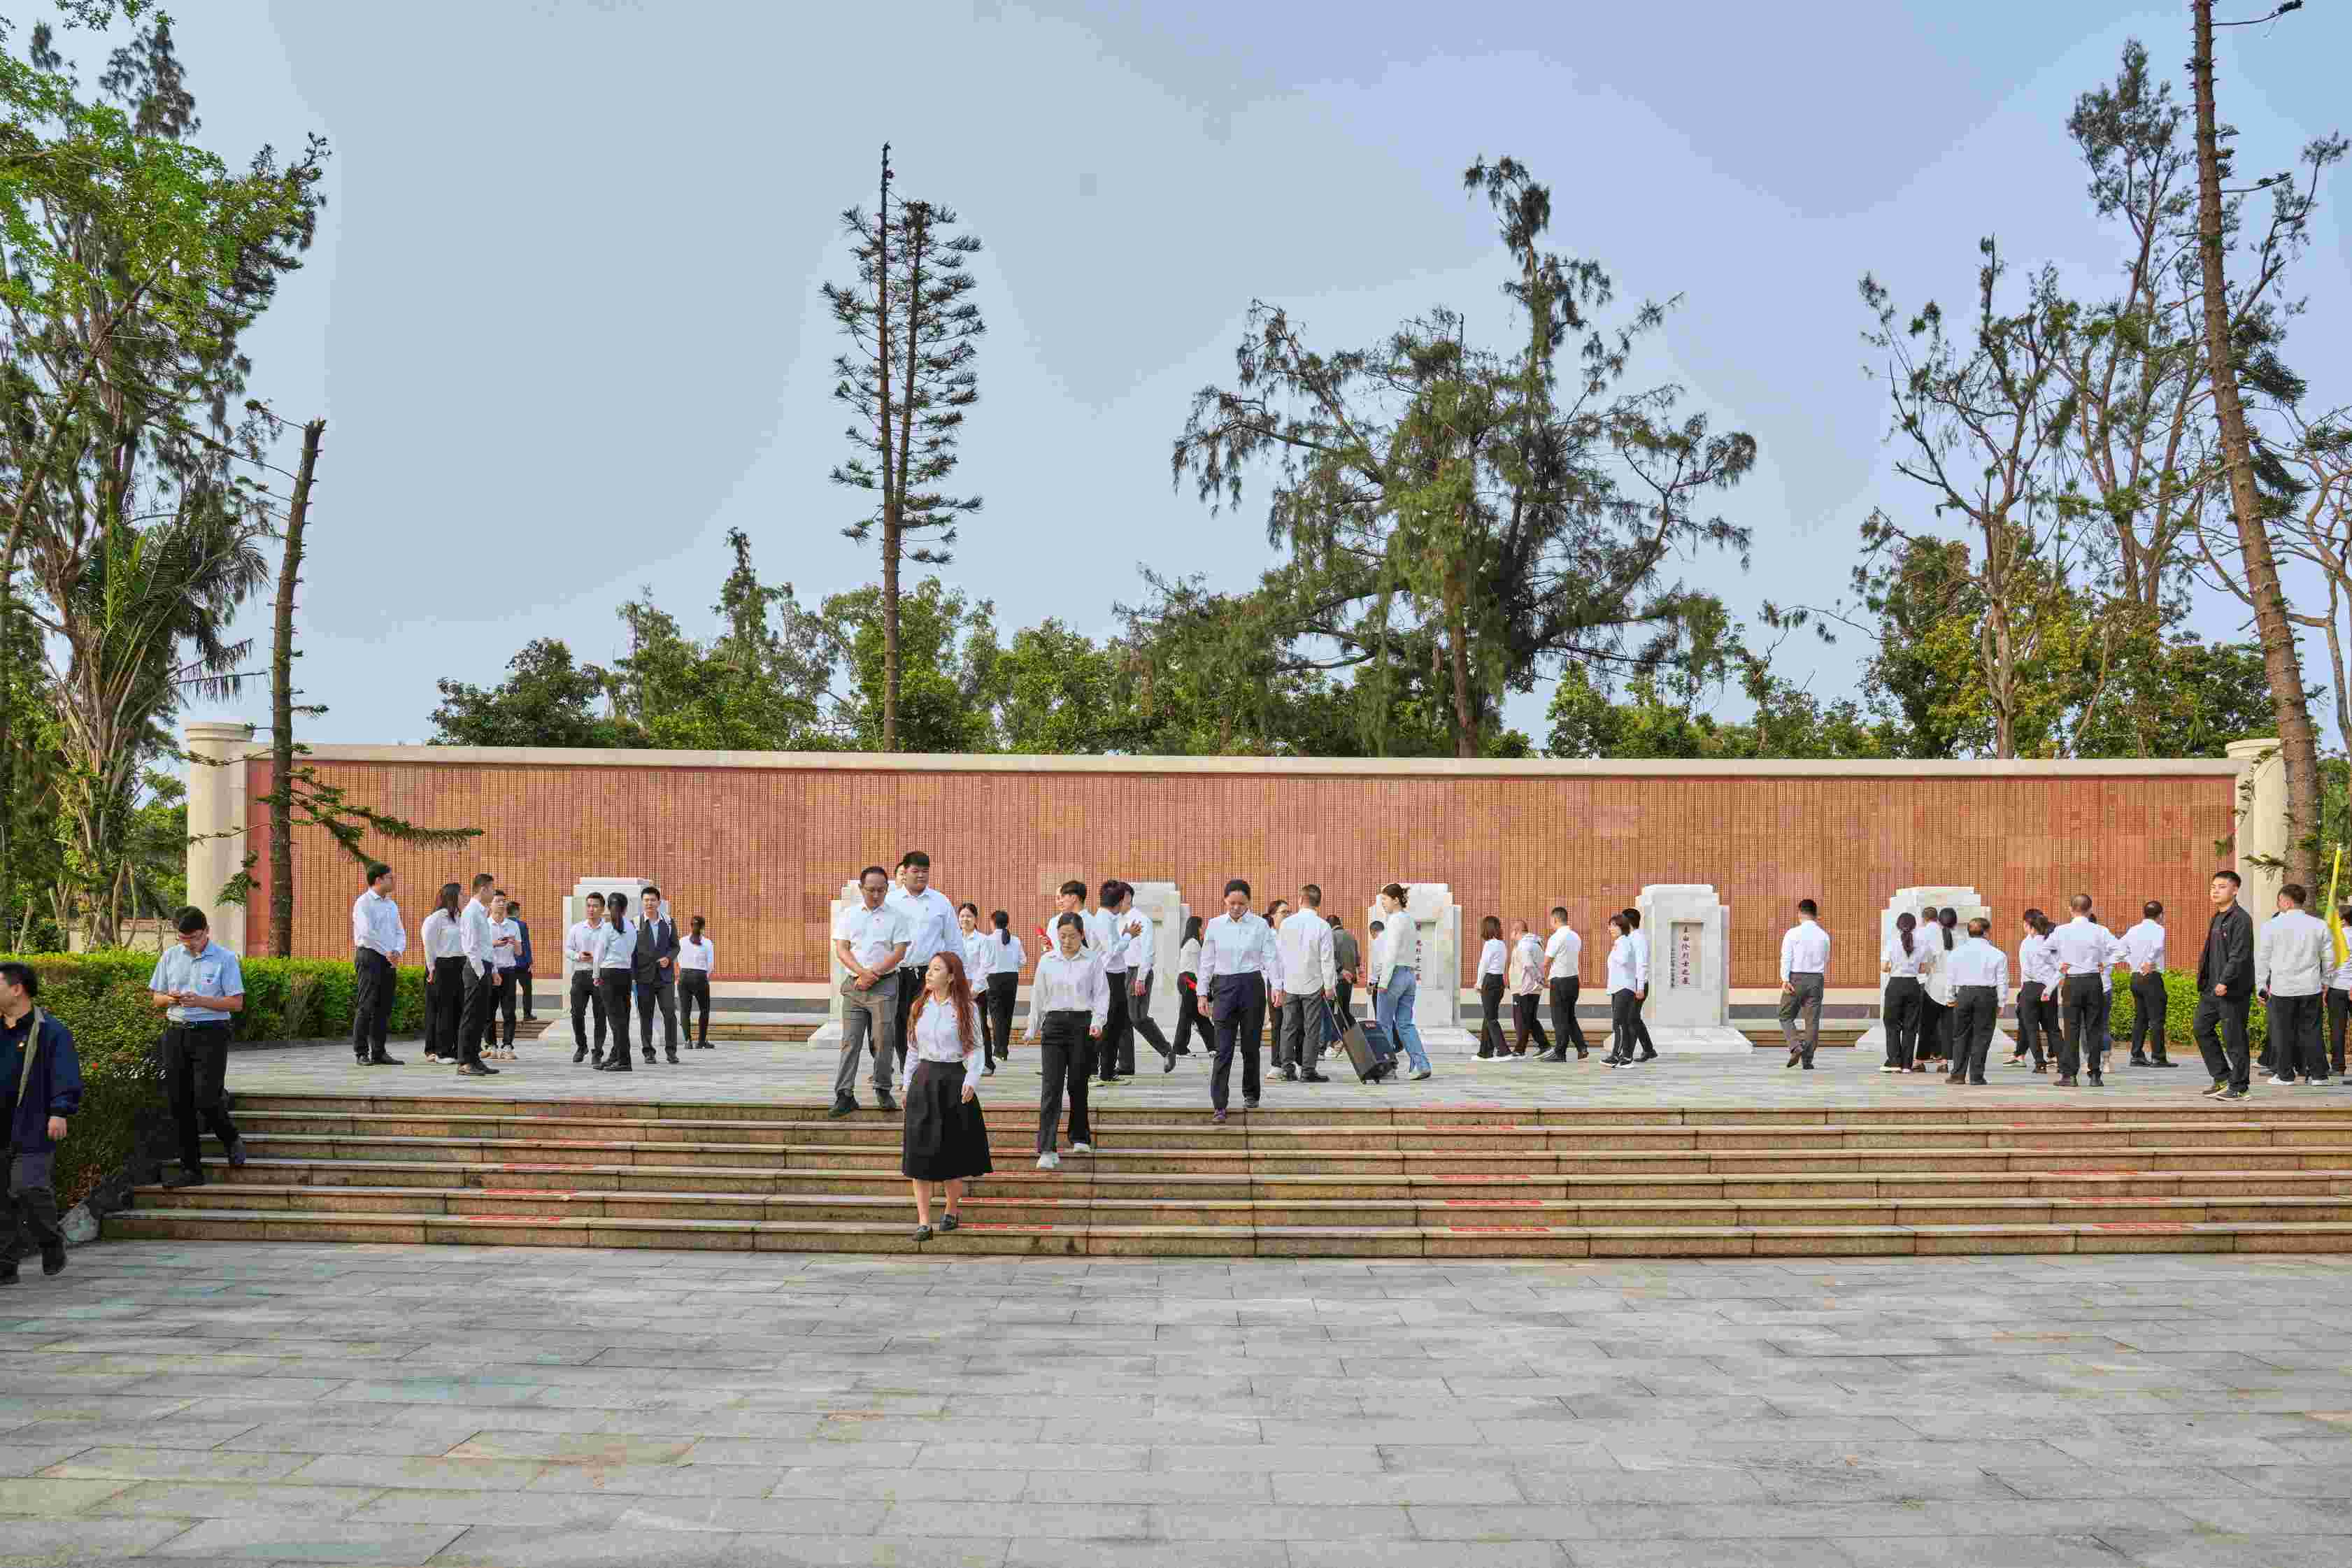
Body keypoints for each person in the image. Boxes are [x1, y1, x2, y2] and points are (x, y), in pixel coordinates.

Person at [150, 908, 247, 1187]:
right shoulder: (170, 956)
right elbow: (156, 997)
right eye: (183, 939)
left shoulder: (225, 959)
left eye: (193, 938)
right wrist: (171, 999)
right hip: (176, 1032)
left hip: (211, 1033)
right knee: (178, 1103)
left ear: (206, 931)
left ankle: (230, 1137)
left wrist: (201, 1001)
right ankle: (191, 1169)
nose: (188, 944)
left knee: (207, 1098)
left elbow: (236, 1003)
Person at [900, 949, 992, 1241]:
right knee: (919, 1152)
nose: (929, 974)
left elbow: (976, 1047)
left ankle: (951, 1210)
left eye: (937, 969)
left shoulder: (967, 1008)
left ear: (952, 977)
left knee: (952, 1150)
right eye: (929, 969)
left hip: (953, 1079)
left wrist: (972, 1079)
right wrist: (906, 1085)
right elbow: (912, 1049)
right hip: (924, 1081)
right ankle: (923, 1221)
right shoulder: (919, 1006)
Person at [0, 962, 80, 1285]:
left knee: (28, 1187)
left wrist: (60, 1111)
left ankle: (50, 1240)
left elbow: (65, 1074)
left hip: (33, 1125)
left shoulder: (51, 1031)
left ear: (16, 989)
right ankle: (5, 1265)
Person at [1025, 912, 1105, 1167]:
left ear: (1082, 935)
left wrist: (1097, 1022)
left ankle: (1080, 1136)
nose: (1067, 942)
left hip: (1082, 1025)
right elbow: (1038, 996)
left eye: (1072, 936)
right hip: (1054, 1026)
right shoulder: (1047, 961)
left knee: (1078, 1084)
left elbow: (1101, 995)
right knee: (1051, 1087)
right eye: (1062, 936)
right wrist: (1031, 1028)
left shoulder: (1093, 960)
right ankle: (1047, 1149)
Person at [831, 867, 911, 1116]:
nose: (876, 895)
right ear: (861, 888)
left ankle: (883, 1088)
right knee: (850, 1041)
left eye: (881, 890)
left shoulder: (897, 916)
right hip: (855, 986)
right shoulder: (850, 915)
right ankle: (844, 1094)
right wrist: (861, 973)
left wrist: (873, 974)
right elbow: (842, 948)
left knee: (883, 1040)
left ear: (887, 889)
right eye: (871, 890)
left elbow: (899, 952)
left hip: (884, 985)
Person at [1199, 881, 1282, 1120]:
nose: (1236, 908)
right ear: (1225, 901)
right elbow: (1207, 961)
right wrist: (1202, 993)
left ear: (1249, 903)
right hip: (1223, 987)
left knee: (1250, 1046)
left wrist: (1277, 986)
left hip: (1251, 985)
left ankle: (1251, 1093)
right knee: (1223, 1049)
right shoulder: (1215, 925)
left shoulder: (1259, 925)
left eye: (1241, 904)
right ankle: (1219, 1104)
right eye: (1232, 903)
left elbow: (1271, 957)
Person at [887, 851, 960, 1080]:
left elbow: (954, 941)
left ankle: (925, 1070)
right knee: (901, 1022)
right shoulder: (891, 901)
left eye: (925, 871)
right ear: (904, 872)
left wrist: (959, 975)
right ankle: (906, 1069)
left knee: (927, 1019)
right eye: (915, 871)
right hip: (897, 972)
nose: (921, 875)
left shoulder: (940, 902)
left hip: (930, 974)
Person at [2258, 883, 2332, 1087]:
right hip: (2311, 987)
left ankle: (2285, 1075)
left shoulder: (2271, 926)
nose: (2278, 904)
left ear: (2287, 902)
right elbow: (2329, 958)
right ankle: (2319, 1075)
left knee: (2283, 1032)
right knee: (2312, 1031)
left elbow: (2263, 959)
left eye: (2279, 901)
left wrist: (2261, 986)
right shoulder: (2319, 925)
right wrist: (2326, 981)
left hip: (2282, 988)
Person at [2193, 869, 2258, 1099]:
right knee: (2201, 1028)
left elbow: (2239, 955)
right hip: (2211, 989)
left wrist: (2225, 980)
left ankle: (2240, 1087)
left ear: (2235, 890)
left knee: (2234, 1038)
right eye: (2213, 887)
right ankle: (2222, 1077)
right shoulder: (2218, 917)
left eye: (2222, 887)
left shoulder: (2241, 919)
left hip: (2231, 990)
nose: (2215, 891)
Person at [1110, 881, 1177, 1075]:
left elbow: (1148, 952)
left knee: (1137, 1017)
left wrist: (1141, 978)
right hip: (1119, 973)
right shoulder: (1115, 920)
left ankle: (1167, 1050)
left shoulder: (1141, 920)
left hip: (1137, 972)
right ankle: (1126, 1065)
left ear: (1127, 898)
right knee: (1122, 1019)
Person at [2051, 894, 2115, 1088]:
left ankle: (2070, 1075)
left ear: (2070, 909)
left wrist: (2059, 965)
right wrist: (2106, 962)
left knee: (2072, 1029)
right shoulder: (2100, 930)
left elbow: (2045, 950)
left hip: (2072, 981)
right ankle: (2095, 1075)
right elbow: (2120, 949)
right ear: (2090, 910)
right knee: (2094, 1027)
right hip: (2094, 980)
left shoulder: (2061, 931)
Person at [1369, 884, 1432, 1081]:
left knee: (1384, 1024)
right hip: (1409, 975)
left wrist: (1383, 981)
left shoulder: (1395, 920)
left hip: (1394, 975)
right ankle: (1422, 1065)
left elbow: (1391, 952)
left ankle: (1388, 1068)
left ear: (1396, 900)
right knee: (1405, 1024)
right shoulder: (1409, 920)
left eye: (1385, 900)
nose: (1383, 904)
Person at [1274, 884, 1336, 1081]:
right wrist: (1330, 986)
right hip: (1313, 983)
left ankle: (1287, 1068)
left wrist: (1278, 984)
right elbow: (1327, 959)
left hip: (1290, 982)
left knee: (1288, 1026)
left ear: (1300, 900)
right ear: (1319, 902)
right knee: (1312, 1028)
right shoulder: (1323, 926)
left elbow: (1279, 956)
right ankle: (1308, 1070)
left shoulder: (1286, 924)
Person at [349, 863, 405, 1067]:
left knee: (384, 1007)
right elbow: (367, 933)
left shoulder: (391, 905)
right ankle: (361, 1052)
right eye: (390, 878)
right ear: (378, 880)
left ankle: (379, 1052)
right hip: (370, 956)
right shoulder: (363, 903)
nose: (394, 881)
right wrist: (387, 951)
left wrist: (397, 951)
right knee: (366, 1005)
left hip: (389, 959)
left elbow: (400, 931)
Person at [1943, 918, 2009, 1085]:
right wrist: (2001, 1002)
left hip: (1964, 993)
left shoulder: (1956, 953)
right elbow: (2002, 981)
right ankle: (1976, 1075)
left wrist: (1950, 997)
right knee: (1982, 1035)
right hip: (1987, 995)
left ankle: (1957, 1075)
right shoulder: (1998, 954)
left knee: (1960, 1035)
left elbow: (1950, 978)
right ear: (1987, 932)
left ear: (1969, 932)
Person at [1095, 880, 1142, 1084]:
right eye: (1126, 900)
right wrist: (1128, 937)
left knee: (1116, 1024)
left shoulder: (1108, 919)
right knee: (1111, 1024)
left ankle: (1107, 1070)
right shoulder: (1104, 920)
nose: (1127, 905)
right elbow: (1112, 950)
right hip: (1109, 976)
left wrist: (1124, 936)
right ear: (1119, 902)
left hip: (1115, 975)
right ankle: (1101, 1071)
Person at [455, 873, 501, 1077]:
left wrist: (493, 970)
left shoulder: (481, 912)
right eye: (492, 889)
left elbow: (486, 945)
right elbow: (471, 947)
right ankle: (465, 1062)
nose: (494, 893)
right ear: (483, 889)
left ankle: (474, 1059)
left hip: (485, 967)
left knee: (481, 1016)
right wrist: (482, 972)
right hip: (476, 969)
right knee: (471, 1016)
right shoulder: (471, 912)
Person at [1778, 898, 1830, 1070]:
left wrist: (1785, 979)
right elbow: (1826, 959)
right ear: (1816, 914)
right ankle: (1807, 1060)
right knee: (1812, 1021)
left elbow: (1786, 957)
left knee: (1785, 1015)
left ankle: (1795, 1046)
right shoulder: (1824, 936)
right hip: (1816, 979)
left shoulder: (1792, 933)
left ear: (1799, 913)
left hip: (1796, 978)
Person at [632, 885, 680, 1064]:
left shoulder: (668, 922)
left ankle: (671, 1051)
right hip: (643, 978)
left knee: (669, 1013)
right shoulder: (635, 923)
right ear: (642, 902)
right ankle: (648, 1052)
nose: (649, 903)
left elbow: (675, 946)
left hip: (665, 977)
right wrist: (633, 976)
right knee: (646, 1015)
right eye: (646, 900)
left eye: (653, 900)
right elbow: (631, 951)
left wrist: (669, 958)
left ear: (659, 902)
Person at [2121, 900, 2173, 1067]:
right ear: (2161, 915)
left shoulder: (2133, 930)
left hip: (2135, 977)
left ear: (2144, 913)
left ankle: (2136, 1055)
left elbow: (2120, 949)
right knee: (2157, 1019)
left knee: (2140, 1018)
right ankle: (2158, 1057)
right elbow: (2157, 947)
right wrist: (2149, 961)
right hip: (2151, 977)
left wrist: (2132, 962)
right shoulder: (2158, 929)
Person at [420, 883, 467, 1064]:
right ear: (452, 897)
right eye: (461, 895)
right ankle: (441, 1051)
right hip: (442, 966)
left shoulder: (461, 918)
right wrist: (431, 968)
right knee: (443, 1009)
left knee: (458, 1008)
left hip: (460, 964)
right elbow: (429, 946)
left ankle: (455, 1049)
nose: (464, 898)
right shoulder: (436, 919)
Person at [593, 891, 638, 1072]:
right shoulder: (632, 927)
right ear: (625, 909)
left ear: (608, 908)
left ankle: (624, 1061)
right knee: (623, 1018)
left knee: (615, 1020)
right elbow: (632, 951)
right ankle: (616, 1056)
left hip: (609, 974)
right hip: (625, 974)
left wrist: (596, 975)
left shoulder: (607, 927)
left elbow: (599, 954)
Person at [1880, 911, 1927, 1072]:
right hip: (1913, 985)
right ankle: (1907, 1064)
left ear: (1898, 926)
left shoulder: (1892, 943)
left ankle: (1894, 1061)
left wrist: (1896, 967)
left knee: (1892, 1024)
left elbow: (1884, 967)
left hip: (1895, 984)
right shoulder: (1921, 944)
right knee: (1910, 1026)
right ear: (1914, 926)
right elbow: (1923, 969)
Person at [2012, 910, 2058, 1073]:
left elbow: (2027, 970)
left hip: (2031, 987)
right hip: (2049, 987)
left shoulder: (2027, 944)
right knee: (2052, 1027)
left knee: (2031, 1028)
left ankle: (2040, 1063)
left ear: (2030, 926)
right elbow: (2058, 966)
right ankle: (2061, 1060)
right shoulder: (2051, 942)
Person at [566, 893, 608, 1064]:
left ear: (603, 909)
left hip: (601, 976)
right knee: (576, 1013)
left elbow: (613, 951)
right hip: (580, 974)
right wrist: (578, 956)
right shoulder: (576, 928)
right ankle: (581, 1046)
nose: (591, 909)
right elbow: (568, 950)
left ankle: (597, 1051)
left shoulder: (608, 929)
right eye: (589, 906)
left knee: (600, 1015)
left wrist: (597, 958)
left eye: (595, 906)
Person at [1543, 907, 1588, 1061]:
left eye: (1551, 920)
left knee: (1559, 1018)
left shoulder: (1556, 938)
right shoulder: (1576, 936)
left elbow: (1546, 961)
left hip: (1560, 980)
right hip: (1573, 980)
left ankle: (1560, 1052)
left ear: (1555, 919)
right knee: (1569, 1016)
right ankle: (1581, 1047)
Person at [982, 911, 1023, 1073]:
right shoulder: (1016, 940)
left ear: (993, 923)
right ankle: (1003, 1049)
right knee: (1007, 1014)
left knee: (996, 1015)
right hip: (1012, 978)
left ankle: (999, 1051)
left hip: (994, 978)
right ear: (1007, 923)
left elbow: (985, 962)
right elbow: (1023, 961)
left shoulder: (988, 940)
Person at [1603, 912, 1643, 1067]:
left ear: (1622, 927)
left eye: (1614, 926)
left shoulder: (1623, 942)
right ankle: (1622, 1056)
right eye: (1610, 926)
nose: (1610, 929)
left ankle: (1620, 1056)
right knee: (1621, 1023)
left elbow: (1624, 960)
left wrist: (1615, 951)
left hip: (1624, 987)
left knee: (1620, 1023)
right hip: (1619, 987)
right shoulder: (1621, 942)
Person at [1620, 908, 1660, 1062]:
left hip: (1638, 983)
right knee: (1633, 1018)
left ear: (1628, 922)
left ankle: (1628, 1054)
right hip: (1632, 982)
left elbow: (1642, 964)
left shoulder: (1638, 938)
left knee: (1631, 1018)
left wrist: (1640, 987)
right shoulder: (1630, 937)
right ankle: (1648, 1050)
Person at [485, 891, 521, 1060]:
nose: (501, 904)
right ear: (490, 904)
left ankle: (507, 1046)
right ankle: (491, 1045)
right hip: (490, 971)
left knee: (509, 1011)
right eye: (498, 901)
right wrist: (494, 943)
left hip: (508, 971)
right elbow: (480, 948)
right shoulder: (485, 924)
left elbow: (519, 952)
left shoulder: (513, 926)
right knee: (488, 1011)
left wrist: (514, 943)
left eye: (504, 901)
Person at [1509, 919, 1551, 1058]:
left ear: (1517, 931)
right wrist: (1540, 980)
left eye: (1512, 931)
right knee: (1530, 1019)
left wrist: (1539, 978)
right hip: (1532, 987)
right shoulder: (1535, 944)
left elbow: (1528, 965)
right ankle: (1544, 1046)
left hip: (1524, 987)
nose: (1511, 935)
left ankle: (1520, 1049)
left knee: (1522, 1020)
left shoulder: (1523, 945)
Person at [957, 904, 992, 1062]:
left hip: (976, 990)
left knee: (979, 1025)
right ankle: (961, 1060)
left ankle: (987, 1062)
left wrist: (976, 989)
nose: (965, 919)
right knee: (958, 1024)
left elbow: (985, 966)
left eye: (969, 916)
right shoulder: (954, 939)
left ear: (976, 919)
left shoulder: (983, 940)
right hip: (957, 988)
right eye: (962, 916)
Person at [1913, 905, 1946, 1069]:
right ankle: (1937, 1055)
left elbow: (1922, 960)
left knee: (1925, 1023)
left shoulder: (1920, 933)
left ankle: (1929, 1056)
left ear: (1923, 918)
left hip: (1926, 982)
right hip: (1945, 983)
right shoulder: (1945, 933)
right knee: (1939, 1023)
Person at [1474, 914, 1510, 1060]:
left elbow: (1483, 965)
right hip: (1499, 981)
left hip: (1490, 980)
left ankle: (1504, 1051)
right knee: (1489, 1016)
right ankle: (1485, 1052)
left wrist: (1479, 983)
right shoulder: (1502, 944)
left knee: (1491, 1018)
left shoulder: (1490, 944)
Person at [678, 915, 715, 1048]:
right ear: (703, 927)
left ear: (690, 925)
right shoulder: (708, 943)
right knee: (704, 1010)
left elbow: (679, 959)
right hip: (700, 976)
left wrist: (684, 972)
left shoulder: (682, 941)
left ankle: (688, 1042)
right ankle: (701, 1042)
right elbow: (710, 965)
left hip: (684, 976)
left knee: (685, 1010)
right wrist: (704, 976)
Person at [1172, 915, 1205, 1057]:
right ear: (1196, 927)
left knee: (1198, 1015)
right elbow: (1197, 967)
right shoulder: (1194, 943)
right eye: (1201, 927)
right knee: (1186, 1016)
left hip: (1184, 979)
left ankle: (1214, 1046)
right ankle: (1179, 1048)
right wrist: (1202, 985)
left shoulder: (1186, 942)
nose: (1203, 929)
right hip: (1190, 980)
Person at [1330, 917, 1360, 1049]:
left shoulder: (1332, 936)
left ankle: (1337, 1041)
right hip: (1349, 980)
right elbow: (1357, 957)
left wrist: (1340, 969)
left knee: (1337, 1010)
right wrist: (1358, 967)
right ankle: (1357, 1037)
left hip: (1338, 979)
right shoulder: (1350, 936)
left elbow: (1329, 957)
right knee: (1345, 1009)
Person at [2330, 901, 2352, 1081]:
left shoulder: (2334, 938)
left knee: (2337, 1029)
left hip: (2336, 987)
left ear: (2343, 920)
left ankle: (2338, 1067)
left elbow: (2329, 964)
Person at [509, 899, 536, 1022]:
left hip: (508, 964)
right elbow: (525, 945)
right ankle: (527, 1014)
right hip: (522, 963)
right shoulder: (522, 925)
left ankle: (510, 1015)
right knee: (527, 989)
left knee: (509, 991)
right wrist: (530, 961)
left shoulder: (503, 924)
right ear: (517, 912)